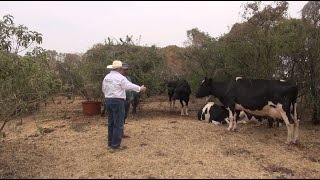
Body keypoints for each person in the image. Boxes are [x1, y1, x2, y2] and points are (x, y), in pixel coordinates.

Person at [102, 60, 146, 151]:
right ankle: (115, 145)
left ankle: (110, 143)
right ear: (119, 68)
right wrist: (140, 88)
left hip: (108, 100)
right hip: (117, 101)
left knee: (111, 122)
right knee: (118, 123)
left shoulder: (107, 77)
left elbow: (104, 88)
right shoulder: (120, 77)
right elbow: (128, 86)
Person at [121, 62, 132, 138]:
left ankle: (121, 132)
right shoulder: (118, 78)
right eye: (124, 70)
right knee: (120, 117)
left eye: (127, 69)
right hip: (121, 101)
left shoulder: (128, 78)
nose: (126, 71)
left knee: (124, 117)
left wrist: (131, 97)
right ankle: (119, 133)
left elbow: (131, 88)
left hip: (127, 101)